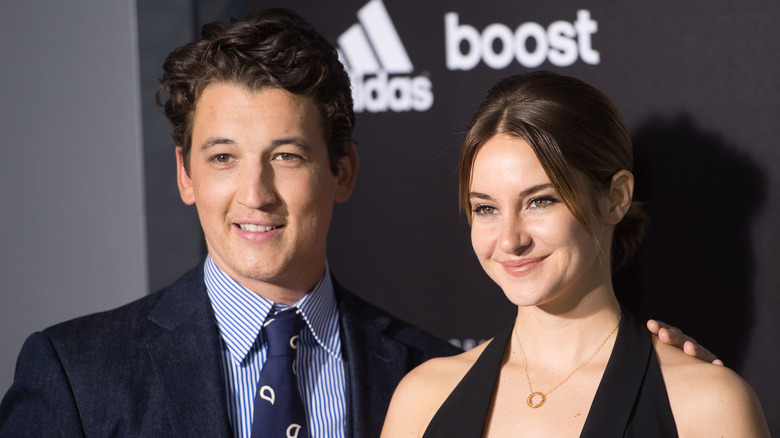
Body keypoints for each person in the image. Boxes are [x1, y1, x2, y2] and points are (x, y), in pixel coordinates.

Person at [0, 11, 716, 438]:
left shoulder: (431, 381)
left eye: (285, 155)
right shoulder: (76, 377)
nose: (254, 193)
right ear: (186, 176)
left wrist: (651, 378)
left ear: (343, 171)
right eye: (222, 157)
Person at [380, 71, 769, 437]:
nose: (509, 240)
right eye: (486, 208)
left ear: (615, 199)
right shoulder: (423, 399)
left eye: (540, 201)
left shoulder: (706, 404)